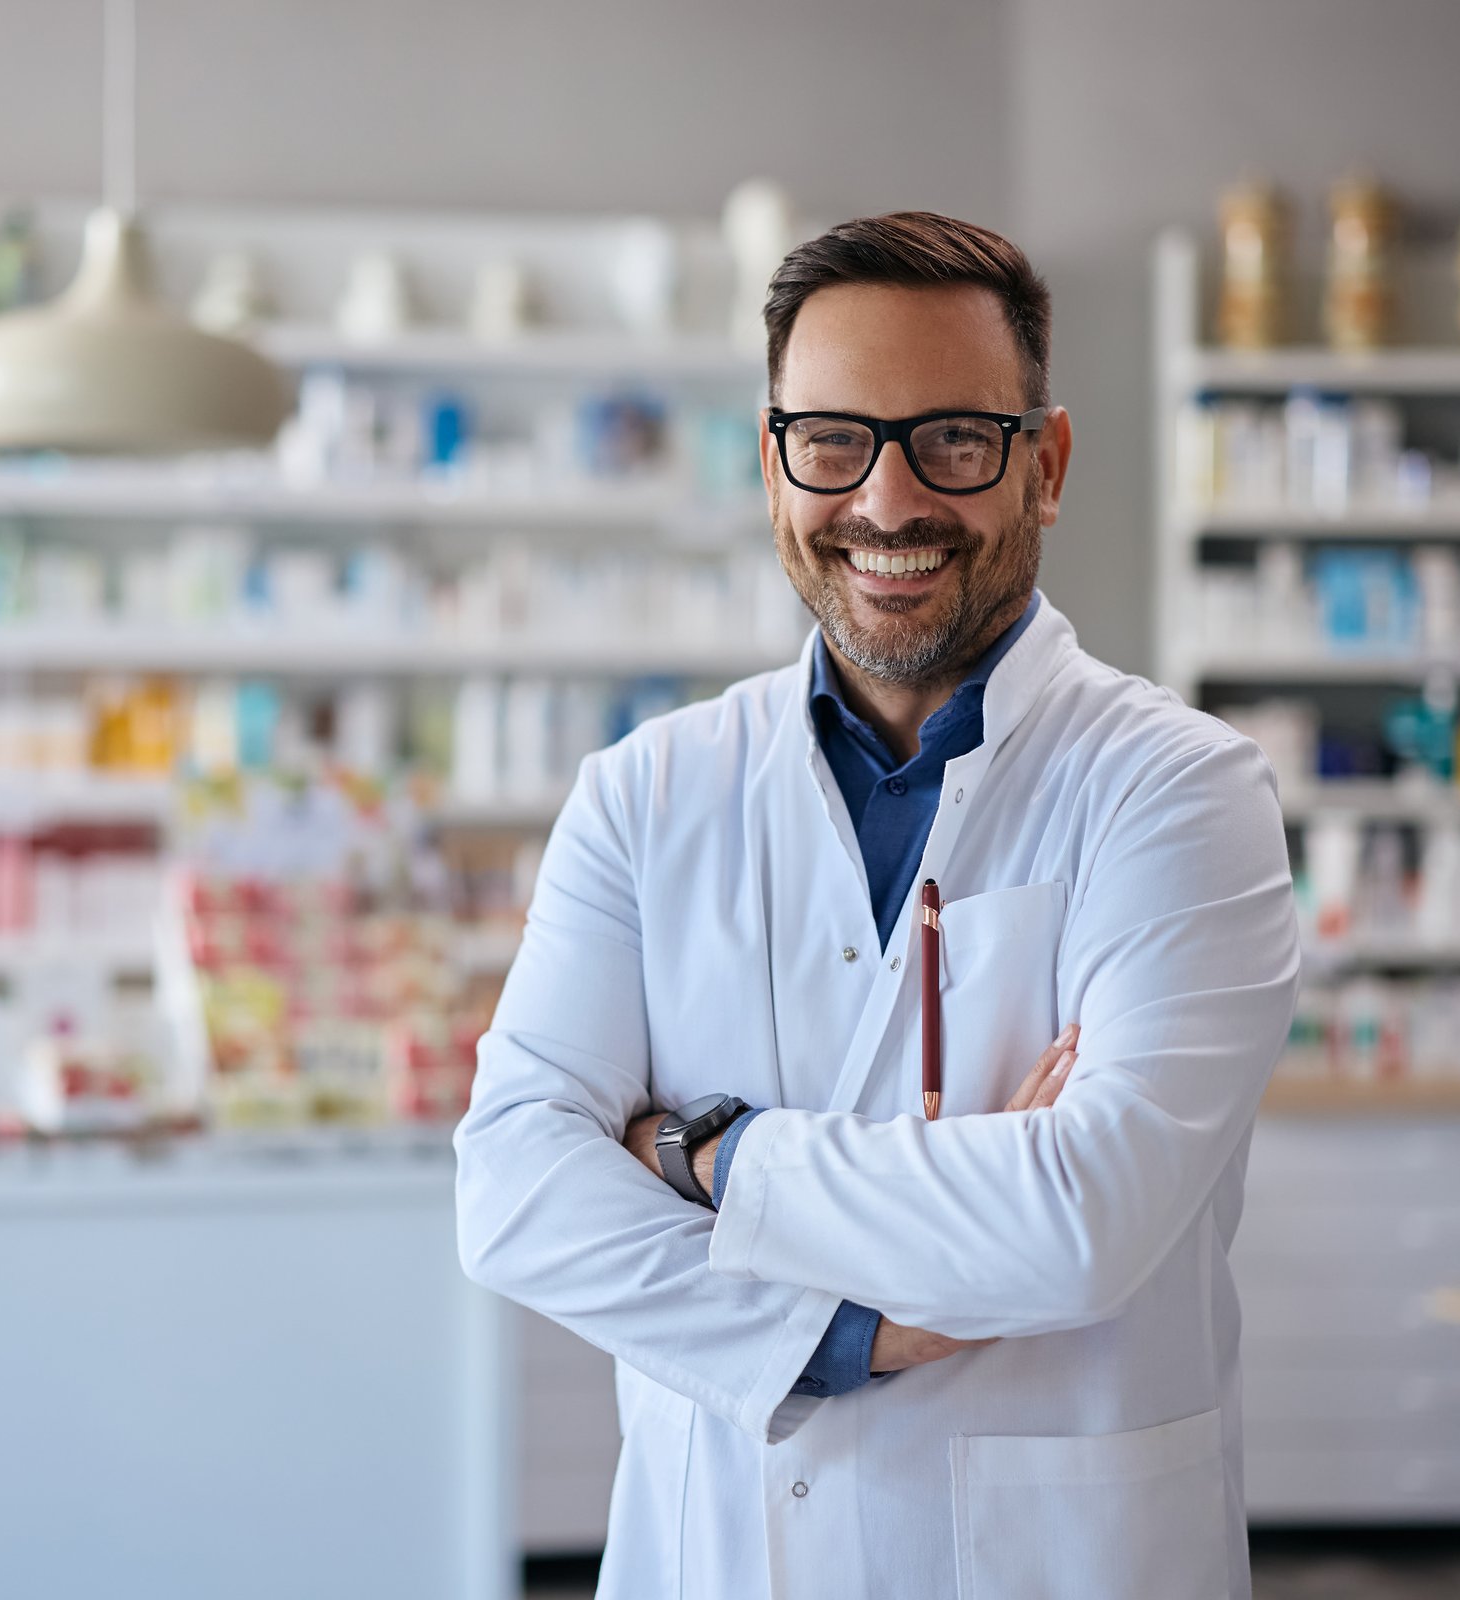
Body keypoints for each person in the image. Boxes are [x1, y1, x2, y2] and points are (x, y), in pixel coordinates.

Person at [453, 211, 1301, 1598]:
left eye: (955, 438)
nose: (889, 503)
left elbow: (1081, 1219)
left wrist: (704, 1155)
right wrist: (853, 1335)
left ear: (1049, 463)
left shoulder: (1182, 793)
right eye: (834, 439)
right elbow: (515, 1192)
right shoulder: (647, 793)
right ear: (774, 459)